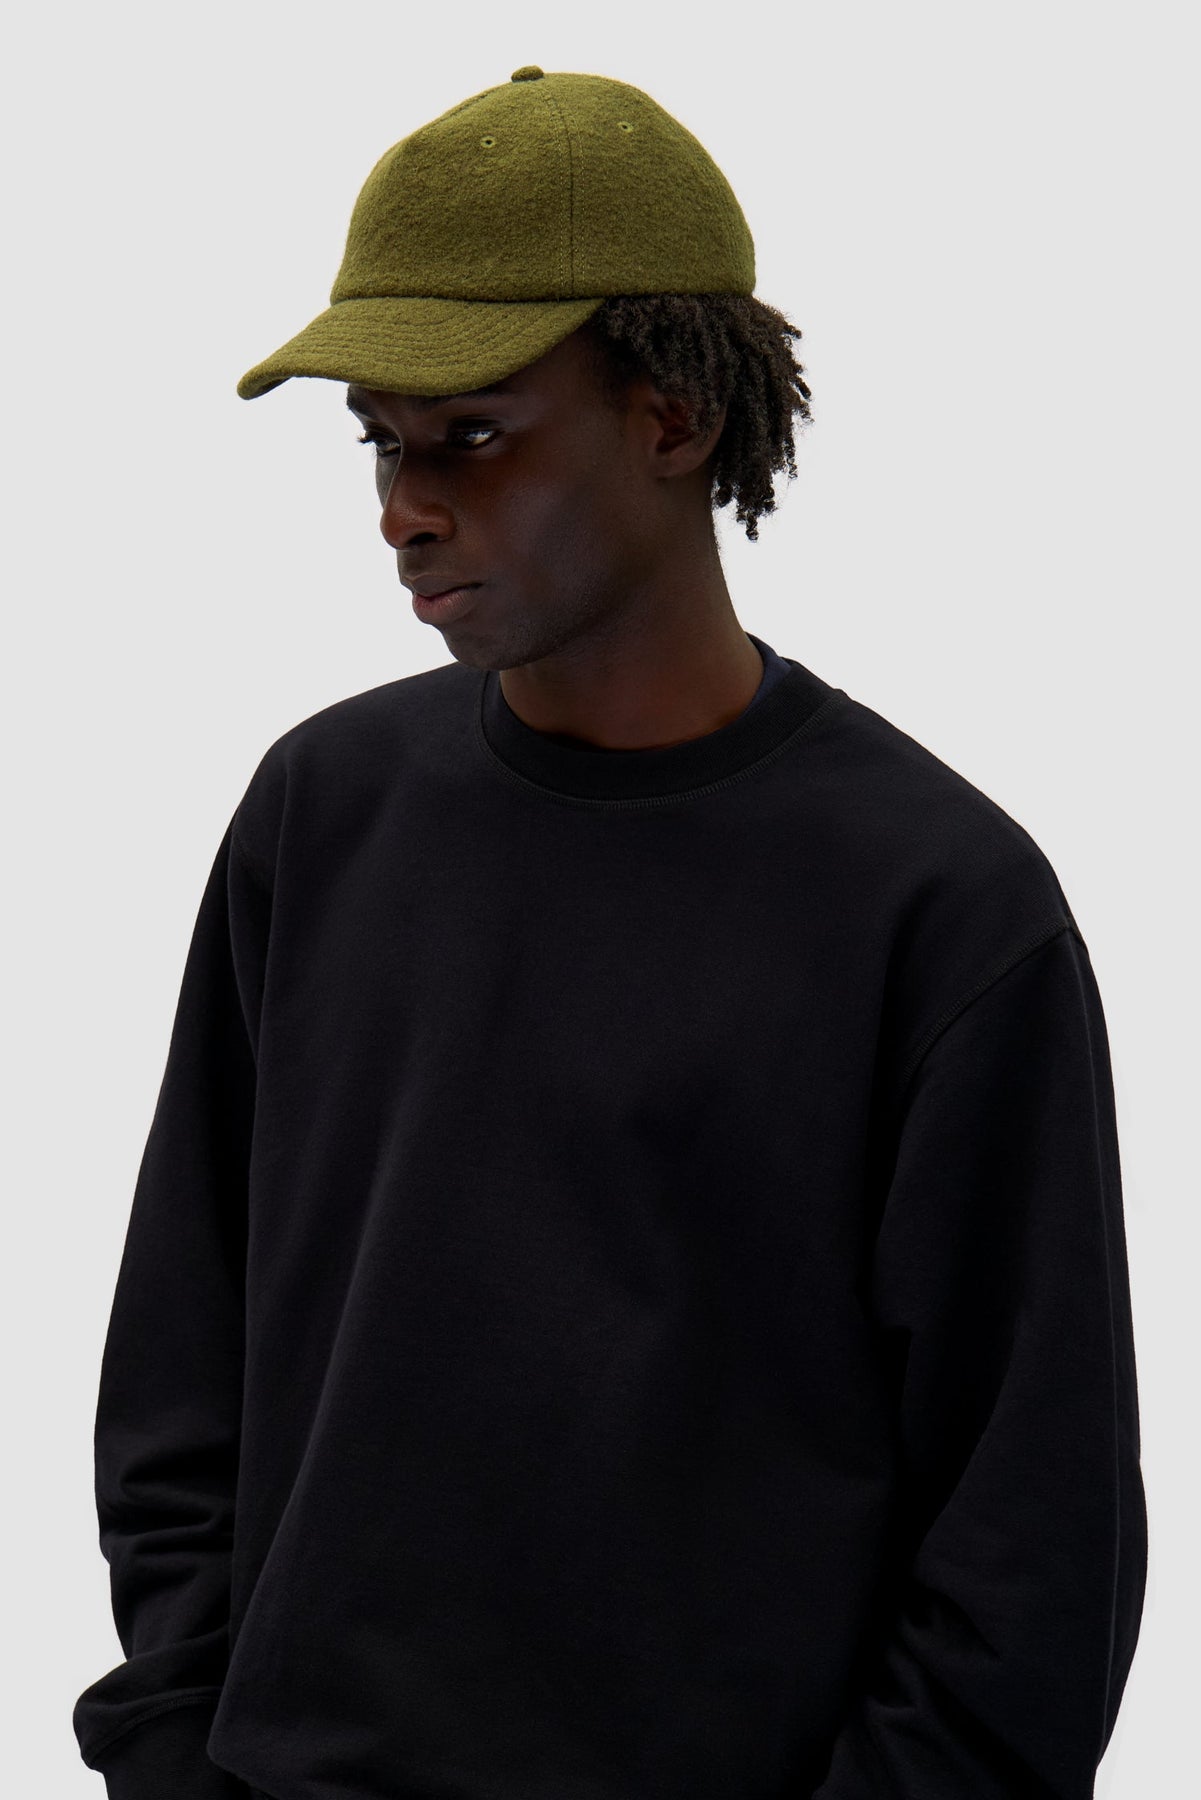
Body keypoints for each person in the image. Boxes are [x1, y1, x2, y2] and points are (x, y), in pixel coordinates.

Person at [72, 65, 1147, 1800]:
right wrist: (181, 1750)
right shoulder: (321, 814)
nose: (405, 504)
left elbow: (1029, 1541)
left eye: (472, 433)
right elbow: (181, 1368)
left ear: (674, 420)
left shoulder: (937, 906)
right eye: (382, 441)